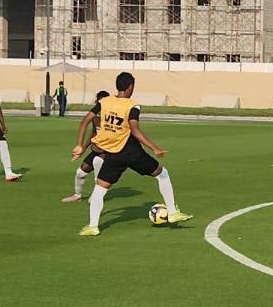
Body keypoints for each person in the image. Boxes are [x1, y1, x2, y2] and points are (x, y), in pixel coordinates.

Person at [72, 72, 192, 236]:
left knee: (100, 189)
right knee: (162, 174)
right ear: (130, 87)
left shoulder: (103, 102)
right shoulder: (133, 106)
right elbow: (135, 130)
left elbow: (85, 121)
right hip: (131, 151)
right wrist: (154, 148)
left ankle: (93, 226)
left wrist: (79, 145)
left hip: (112, 153)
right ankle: (172, 212)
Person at [61, 90, 110, 203]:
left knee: (98, 164)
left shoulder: (111, 117)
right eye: (99, 101)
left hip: (108, 151)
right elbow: (93, 133)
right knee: (80, 173)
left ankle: (96, 196)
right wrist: (82, 148)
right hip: (96, 149)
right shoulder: (95, 116)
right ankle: (77, 195)